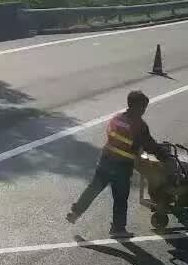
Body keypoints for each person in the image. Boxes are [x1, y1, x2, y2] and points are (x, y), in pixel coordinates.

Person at [66, 90, 163, 236]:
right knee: (120, 198)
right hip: (121, 168)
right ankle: (118, 229)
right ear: (136, 106)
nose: (144, 111)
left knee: (93, 189)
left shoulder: (117, 118)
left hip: (105, 161)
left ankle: (75, 212)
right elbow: (150, 145)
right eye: (143, 107)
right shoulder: (139, 125)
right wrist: (165, 155)